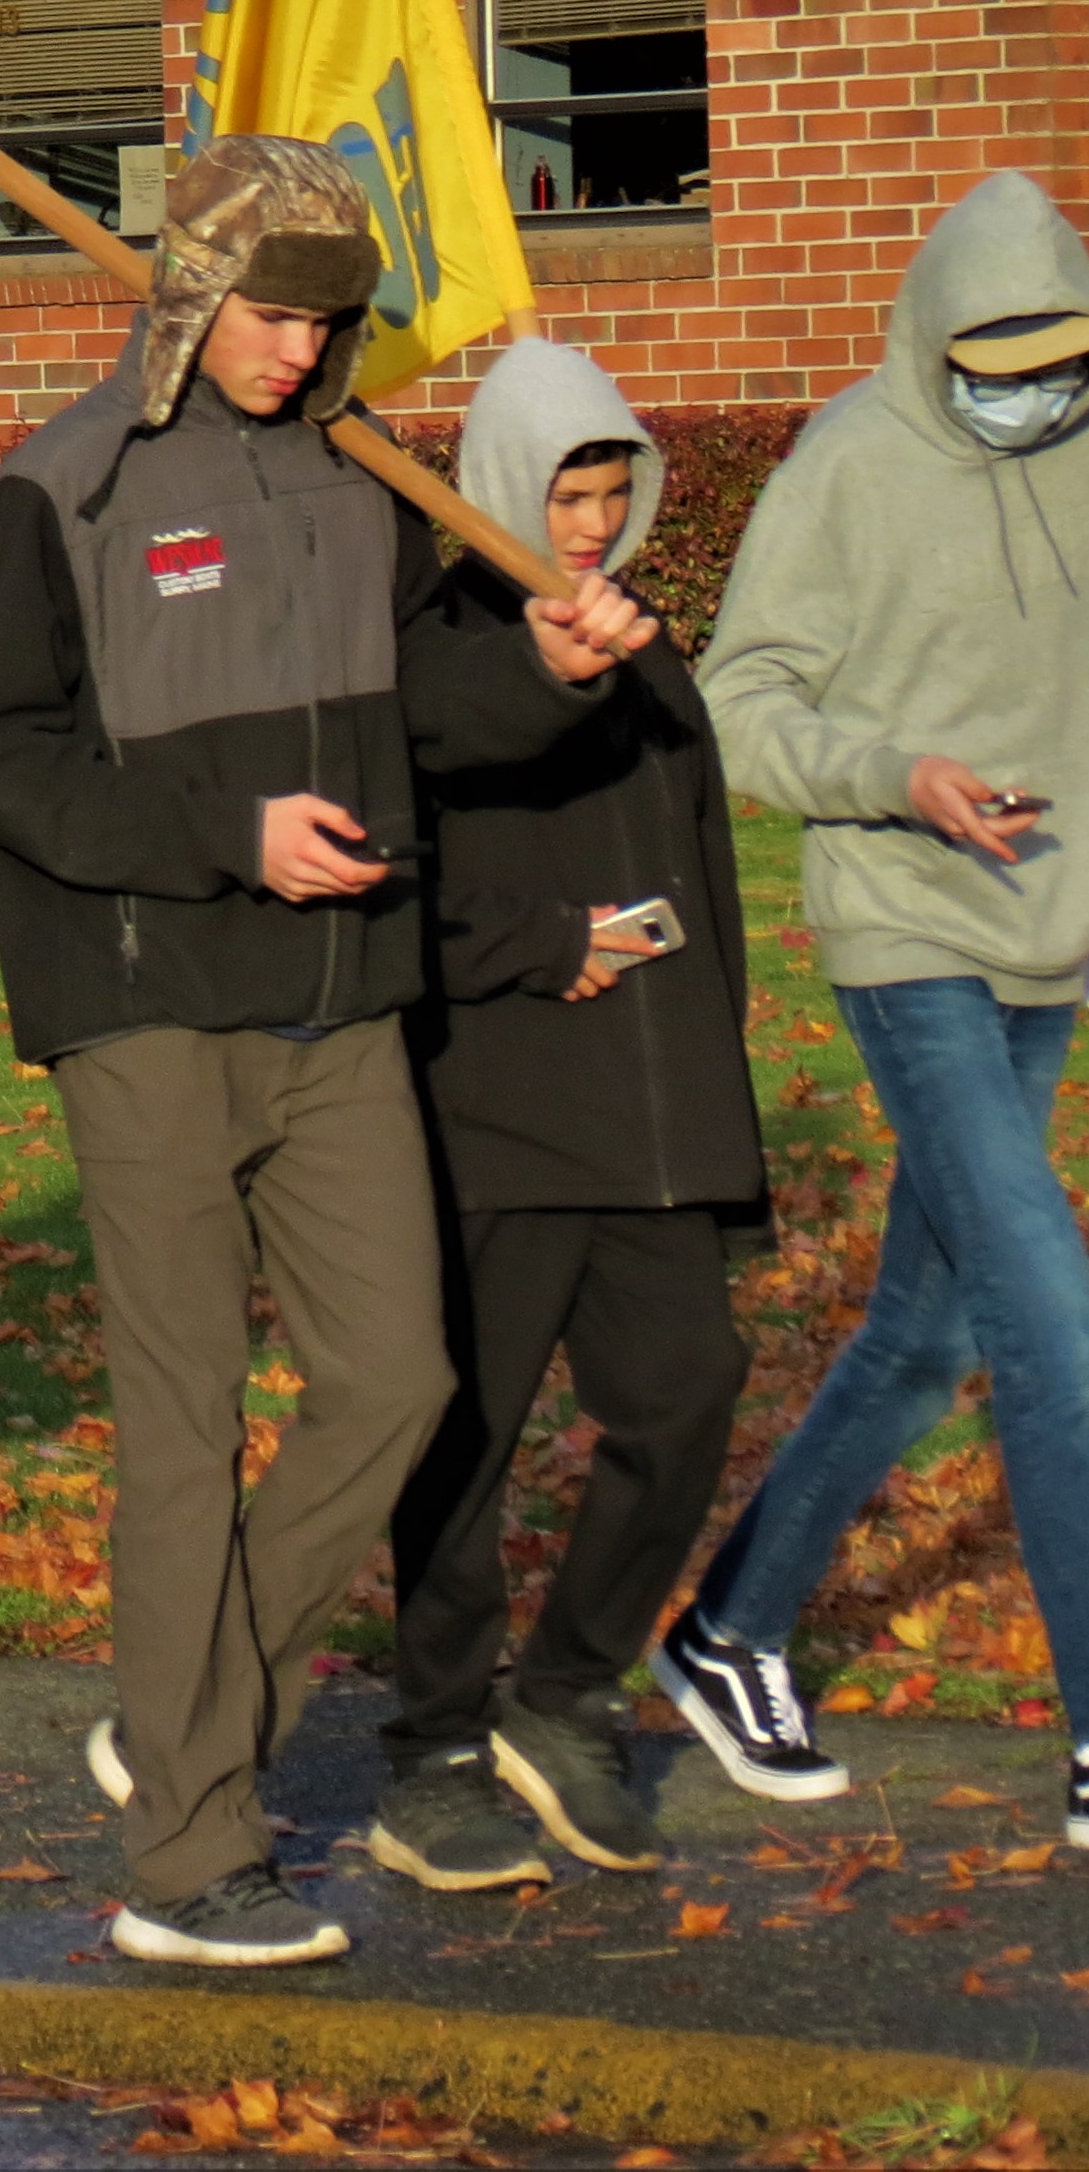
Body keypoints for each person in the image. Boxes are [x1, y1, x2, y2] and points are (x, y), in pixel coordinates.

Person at [0, 139, 648, 1969]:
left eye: (325, 316)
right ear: (186, 293)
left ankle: (185, 1719)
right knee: (180, 1438)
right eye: (265, 310)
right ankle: (187, 1862)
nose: (293, 345)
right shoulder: (63, 491)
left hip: (340, 1010)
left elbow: (414, 718)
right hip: (149, 1009)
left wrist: (550, 670)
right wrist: (221, 833)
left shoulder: (354, 485)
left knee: (397, 1383)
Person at [662, 172, 1089, 1853]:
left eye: (1056, 361)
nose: (1025, 390)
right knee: (1057, 1338)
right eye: (991, 363)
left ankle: (725, 1633)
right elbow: (736, 706)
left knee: (929, 1331)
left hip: (1051, 929)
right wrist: (895, 778)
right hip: (904, 929)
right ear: (931, 338)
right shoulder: (845, 469)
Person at [376, 339, 768, 1892]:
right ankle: (430, 1747)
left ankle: (562, 1697)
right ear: (491, 488)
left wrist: (713, 1079)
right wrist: (539, 952)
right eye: (563, 489)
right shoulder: (430, 632)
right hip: (495, 1098)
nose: (592, 521)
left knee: (684, 1394)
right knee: (459, 1441)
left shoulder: (645, 639)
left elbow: (700, 870)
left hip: (656, 1109)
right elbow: (416, 822)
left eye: (612, 488)